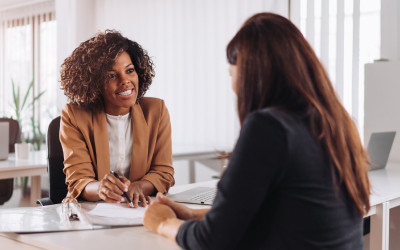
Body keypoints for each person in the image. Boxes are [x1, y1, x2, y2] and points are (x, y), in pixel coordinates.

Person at [143, 12, 370, 249]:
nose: (233, 88)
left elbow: (212, 241)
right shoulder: (339, 123)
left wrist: (163, 223)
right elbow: (280, 214)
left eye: (232, 74)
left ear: (251, 74)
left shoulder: (269, 127)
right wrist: (191, 215)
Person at [60, 30, 174, 208]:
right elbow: (79, 180)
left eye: (130, 71)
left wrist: (138, 187)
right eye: (111, 75)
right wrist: (101, 189)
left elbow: (163, 173)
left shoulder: (156, 111)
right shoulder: (74, 115)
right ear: (94, 82)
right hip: (90, 214)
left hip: (137, 211)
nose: (125, 81)